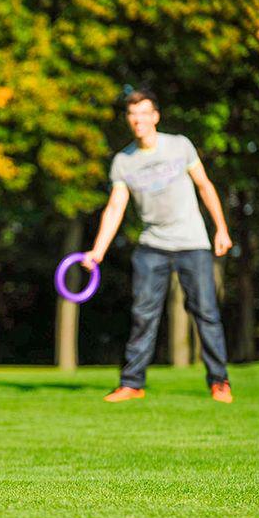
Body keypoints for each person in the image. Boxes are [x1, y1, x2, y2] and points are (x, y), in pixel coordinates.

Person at [83, 89, 234, 403]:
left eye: (144, 113)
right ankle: (132, 384)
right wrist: (97, 251)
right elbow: (115, 207)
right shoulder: (123, 161)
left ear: (155, 116)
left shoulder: (179, 145)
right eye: (132, 114)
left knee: (205, 312)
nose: (138, 120)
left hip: (193, 242)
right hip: (152, 245)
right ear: (129, 119)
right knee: (143, 314)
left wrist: (221, 228)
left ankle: (219, 382)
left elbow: (204, 185)